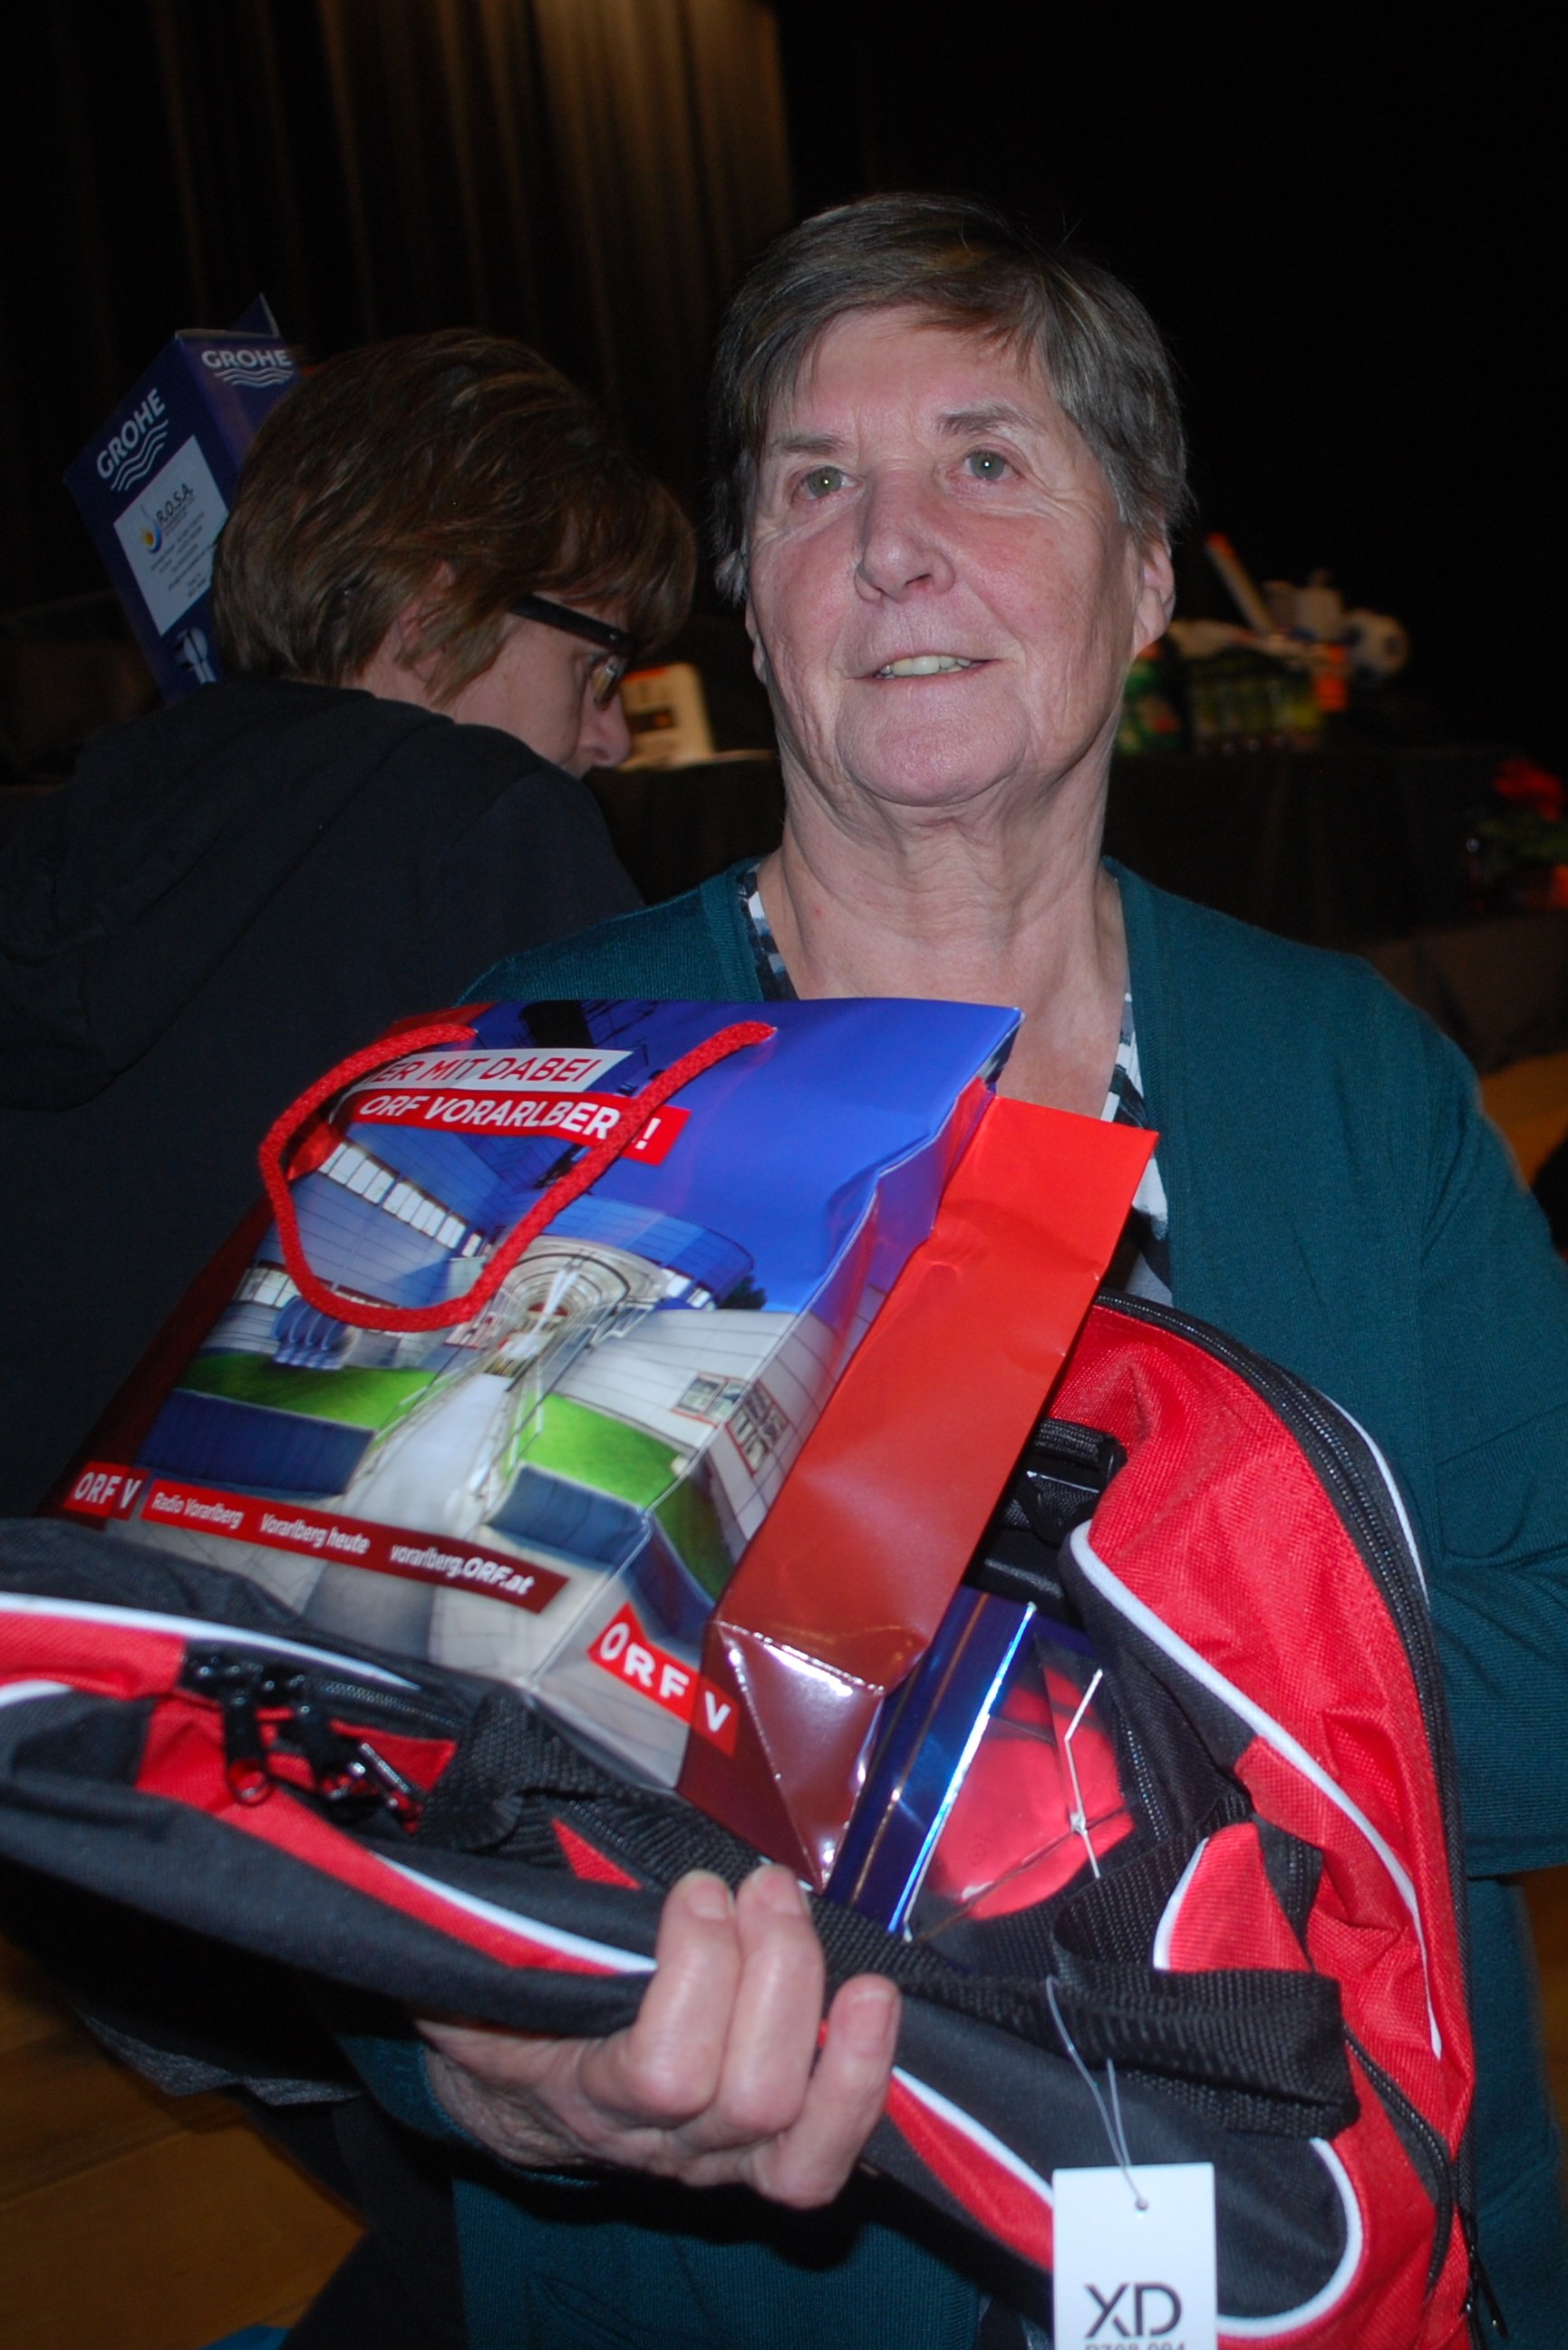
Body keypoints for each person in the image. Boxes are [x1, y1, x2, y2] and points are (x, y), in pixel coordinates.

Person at [331, 196, 1568, 2347]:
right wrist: (484, 2063)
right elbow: (319, 1725)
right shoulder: (535, 1076)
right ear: (750, 599)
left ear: (1148, 571)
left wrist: (1037, 1714)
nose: (895, 547)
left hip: (1335, 2225)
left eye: (986, 461)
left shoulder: (1351, 1083)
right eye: (816, 485)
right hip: (743, 2283)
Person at [0, 330, 693, 1515]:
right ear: (432, 614)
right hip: (240, 1581)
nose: (612, 738)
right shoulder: (485, 819)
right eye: (597, 668)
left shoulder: (71, 816)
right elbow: (671, 1225)